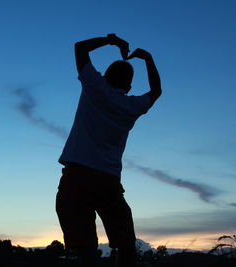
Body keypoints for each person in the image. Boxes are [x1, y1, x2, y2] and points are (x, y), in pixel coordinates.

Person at [55, 33, 162, 267]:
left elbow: (80, 46)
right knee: (125, 242)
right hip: (109, 181)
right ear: (129, 85)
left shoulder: (95, 87)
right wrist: (148, 59)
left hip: (77, 176)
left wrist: (111, 40)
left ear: (105, 75)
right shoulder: (131, 106)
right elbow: (156, 91)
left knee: (85, 247)